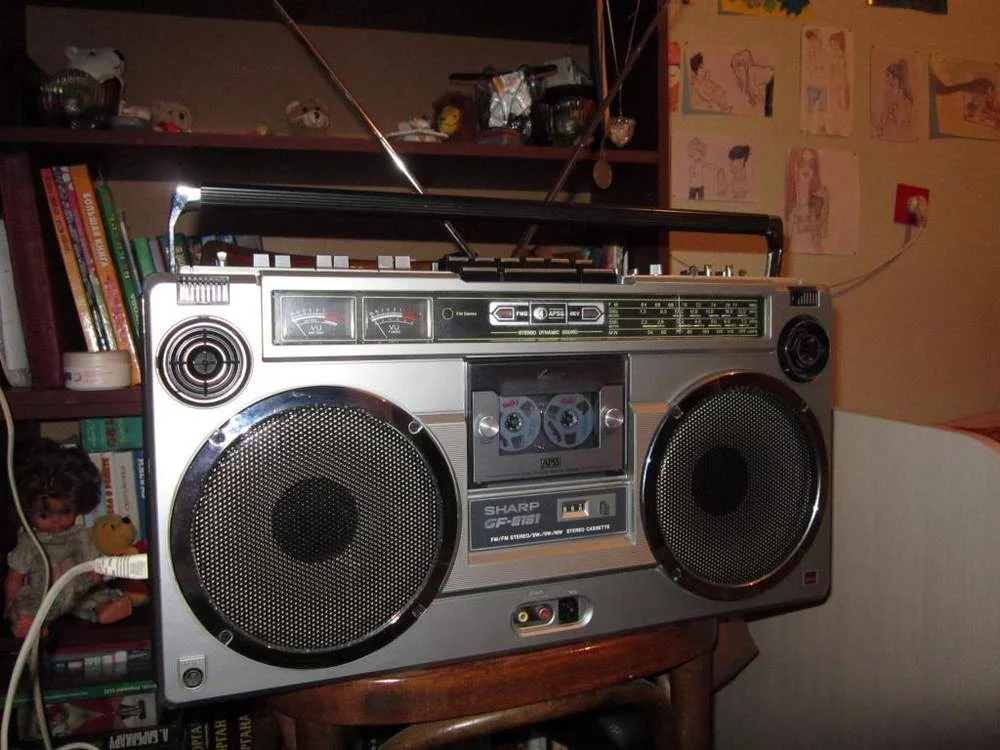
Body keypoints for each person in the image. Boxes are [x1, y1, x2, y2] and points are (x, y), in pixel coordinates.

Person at [4, 438, 132, 638]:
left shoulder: (79, 534)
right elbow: (15, 576)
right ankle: (32, 624)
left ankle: (107, 608)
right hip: (41, 596)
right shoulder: (30, 541)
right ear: (28, 509)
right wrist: (11, 598)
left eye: (65, 512)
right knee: (25, 604)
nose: (56, 522)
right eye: (45, 515)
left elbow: (92, 559)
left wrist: (96, 573)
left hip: (77, 592)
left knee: (95, 596)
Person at [786, 147, 829, 253]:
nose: (806, 168)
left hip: (813, 252)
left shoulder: (822, 196)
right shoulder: (787, 197)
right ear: (794, 165)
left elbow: (823, 232)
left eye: (811, 164)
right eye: (802, 163)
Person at [873, 59, 914, 139]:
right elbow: (885, 113)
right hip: (889, 130)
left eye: (888, 75)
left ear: (895, 78)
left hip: (900, 131)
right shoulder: (887, 94)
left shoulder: (905, 96)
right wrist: (881, 126)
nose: (885, 78)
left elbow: (907, 118)